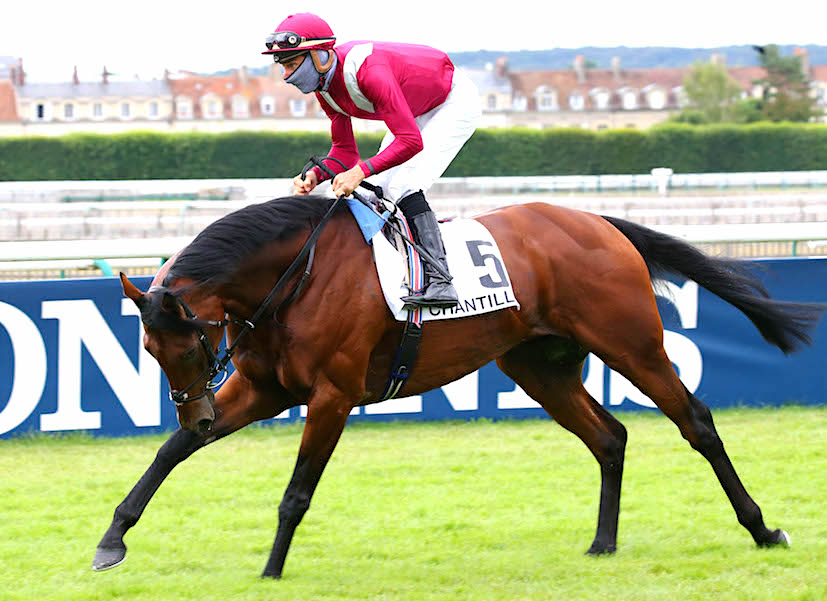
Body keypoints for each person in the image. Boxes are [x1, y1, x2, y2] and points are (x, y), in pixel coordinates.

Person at [263, 13, 481, 308]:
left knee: (404, 185)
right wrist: (316, 175)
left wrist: (359, 172)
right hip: (415, 108)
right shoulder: (325, 90)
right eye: (283, 66)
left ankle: (441, 281)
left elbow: (410, 142)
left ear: (319, 56)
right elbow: (345, 153)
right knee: (373, 189)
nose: (286, 75)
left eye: (291, 64)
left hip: (451, 101)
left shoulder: (368, 72)